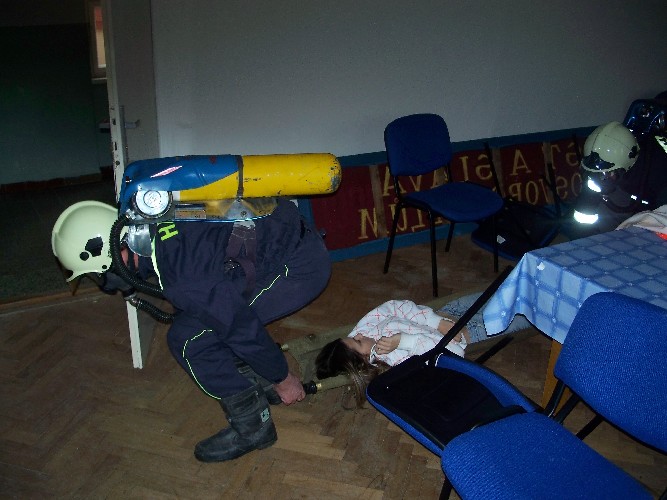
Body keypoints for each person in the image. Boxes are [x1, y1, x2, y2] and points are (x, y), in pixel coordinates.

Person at [51, 197, 331, 462]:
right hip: (279, 238)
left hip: (297, 267)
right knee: (204, 314)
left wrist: (284, 378)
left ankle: (255, 427)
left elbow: (240, 327)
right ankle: (261, 382)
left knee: (188, 340)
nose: (104, 281)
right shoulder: (155, 216)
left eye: (98, 274)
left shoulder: (183, 276)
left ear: (111, 254)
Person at [315, 300, 468, 407]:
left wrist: (436, 321)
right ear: (365, 358)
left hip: (443, 314)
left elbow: (393, 307)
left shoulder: (364, 332)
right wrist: (404, 341)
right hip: (462, 336)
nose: (359, 334)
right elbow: (452, 355)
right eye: (358, 341)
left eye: (353, 336)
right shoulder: (394, 362)